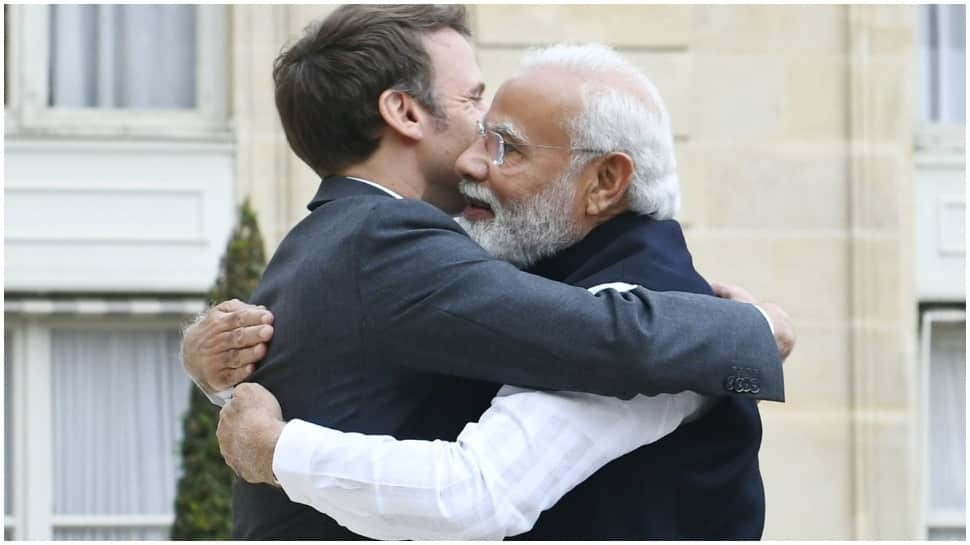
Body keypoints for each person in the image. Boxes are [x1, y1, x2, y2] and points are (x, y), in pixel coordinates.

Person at [179, 5, 792, 539]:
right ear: (404, 113)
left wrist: (268, 439)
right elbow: (608, 337)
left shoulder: (319, 241)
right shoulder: (390, 241)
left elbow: (475, 482)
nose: (478, 152)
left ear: (606, 182)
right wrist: (752, 328)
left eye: (508, 145)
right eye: (475, 103)